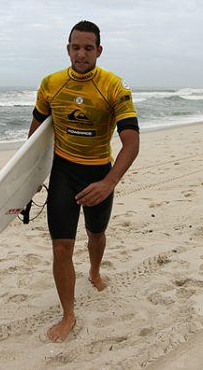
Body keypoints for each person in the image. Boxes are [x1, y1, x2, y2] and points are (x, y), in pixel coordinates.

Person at [28, 20, 140, 343]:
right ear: (68, 49)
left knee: (96, 234)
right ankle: (68, 314)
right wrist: (32, 176)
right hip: (64, 172)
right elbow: (34, 134)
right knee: (61, 248)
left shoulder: (115, 87)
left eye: (88, 48)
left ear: (99, 51)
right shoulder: (51, 84)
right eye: (76, 47)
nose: (81, 54)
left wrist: (109, 183)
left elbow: (131, 143)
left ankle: (94, 271)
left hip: (99, 173)